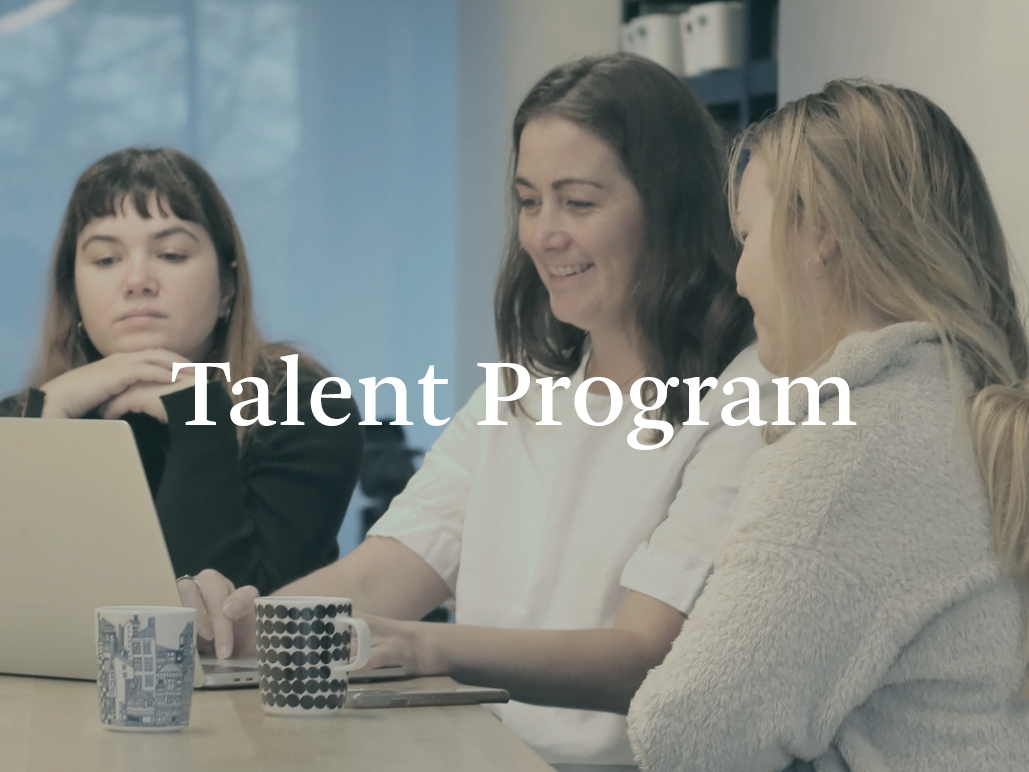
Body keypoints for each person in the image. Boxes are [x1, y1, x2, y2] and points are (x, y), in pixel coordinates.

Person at [183, 54, 767, 766]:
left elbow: (643, 657)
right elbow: (380, 577)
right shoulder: (517, 393)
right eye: (528, 201)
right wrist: (246, 627)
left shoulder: (747, 396)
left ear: (670, 206)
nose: (543, 235)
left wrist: (427, 643)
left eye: (577, 203)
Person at [627, 80, 1029, 771]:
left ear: (820, 236)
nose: (739, 276)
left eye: (748, 238)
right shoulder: (954, 404)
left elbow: (686, 732)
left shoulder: (850, 451)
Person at [0, 148, 363, 598]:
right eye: (106, 260)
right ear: (73, 294)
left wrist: (198, 419)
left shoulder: (301, 404)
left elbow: (229, 621)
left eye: (170, 254)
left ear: (227, 288)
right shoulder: (23, 415)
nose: (137, 280)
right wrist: (47, 418)